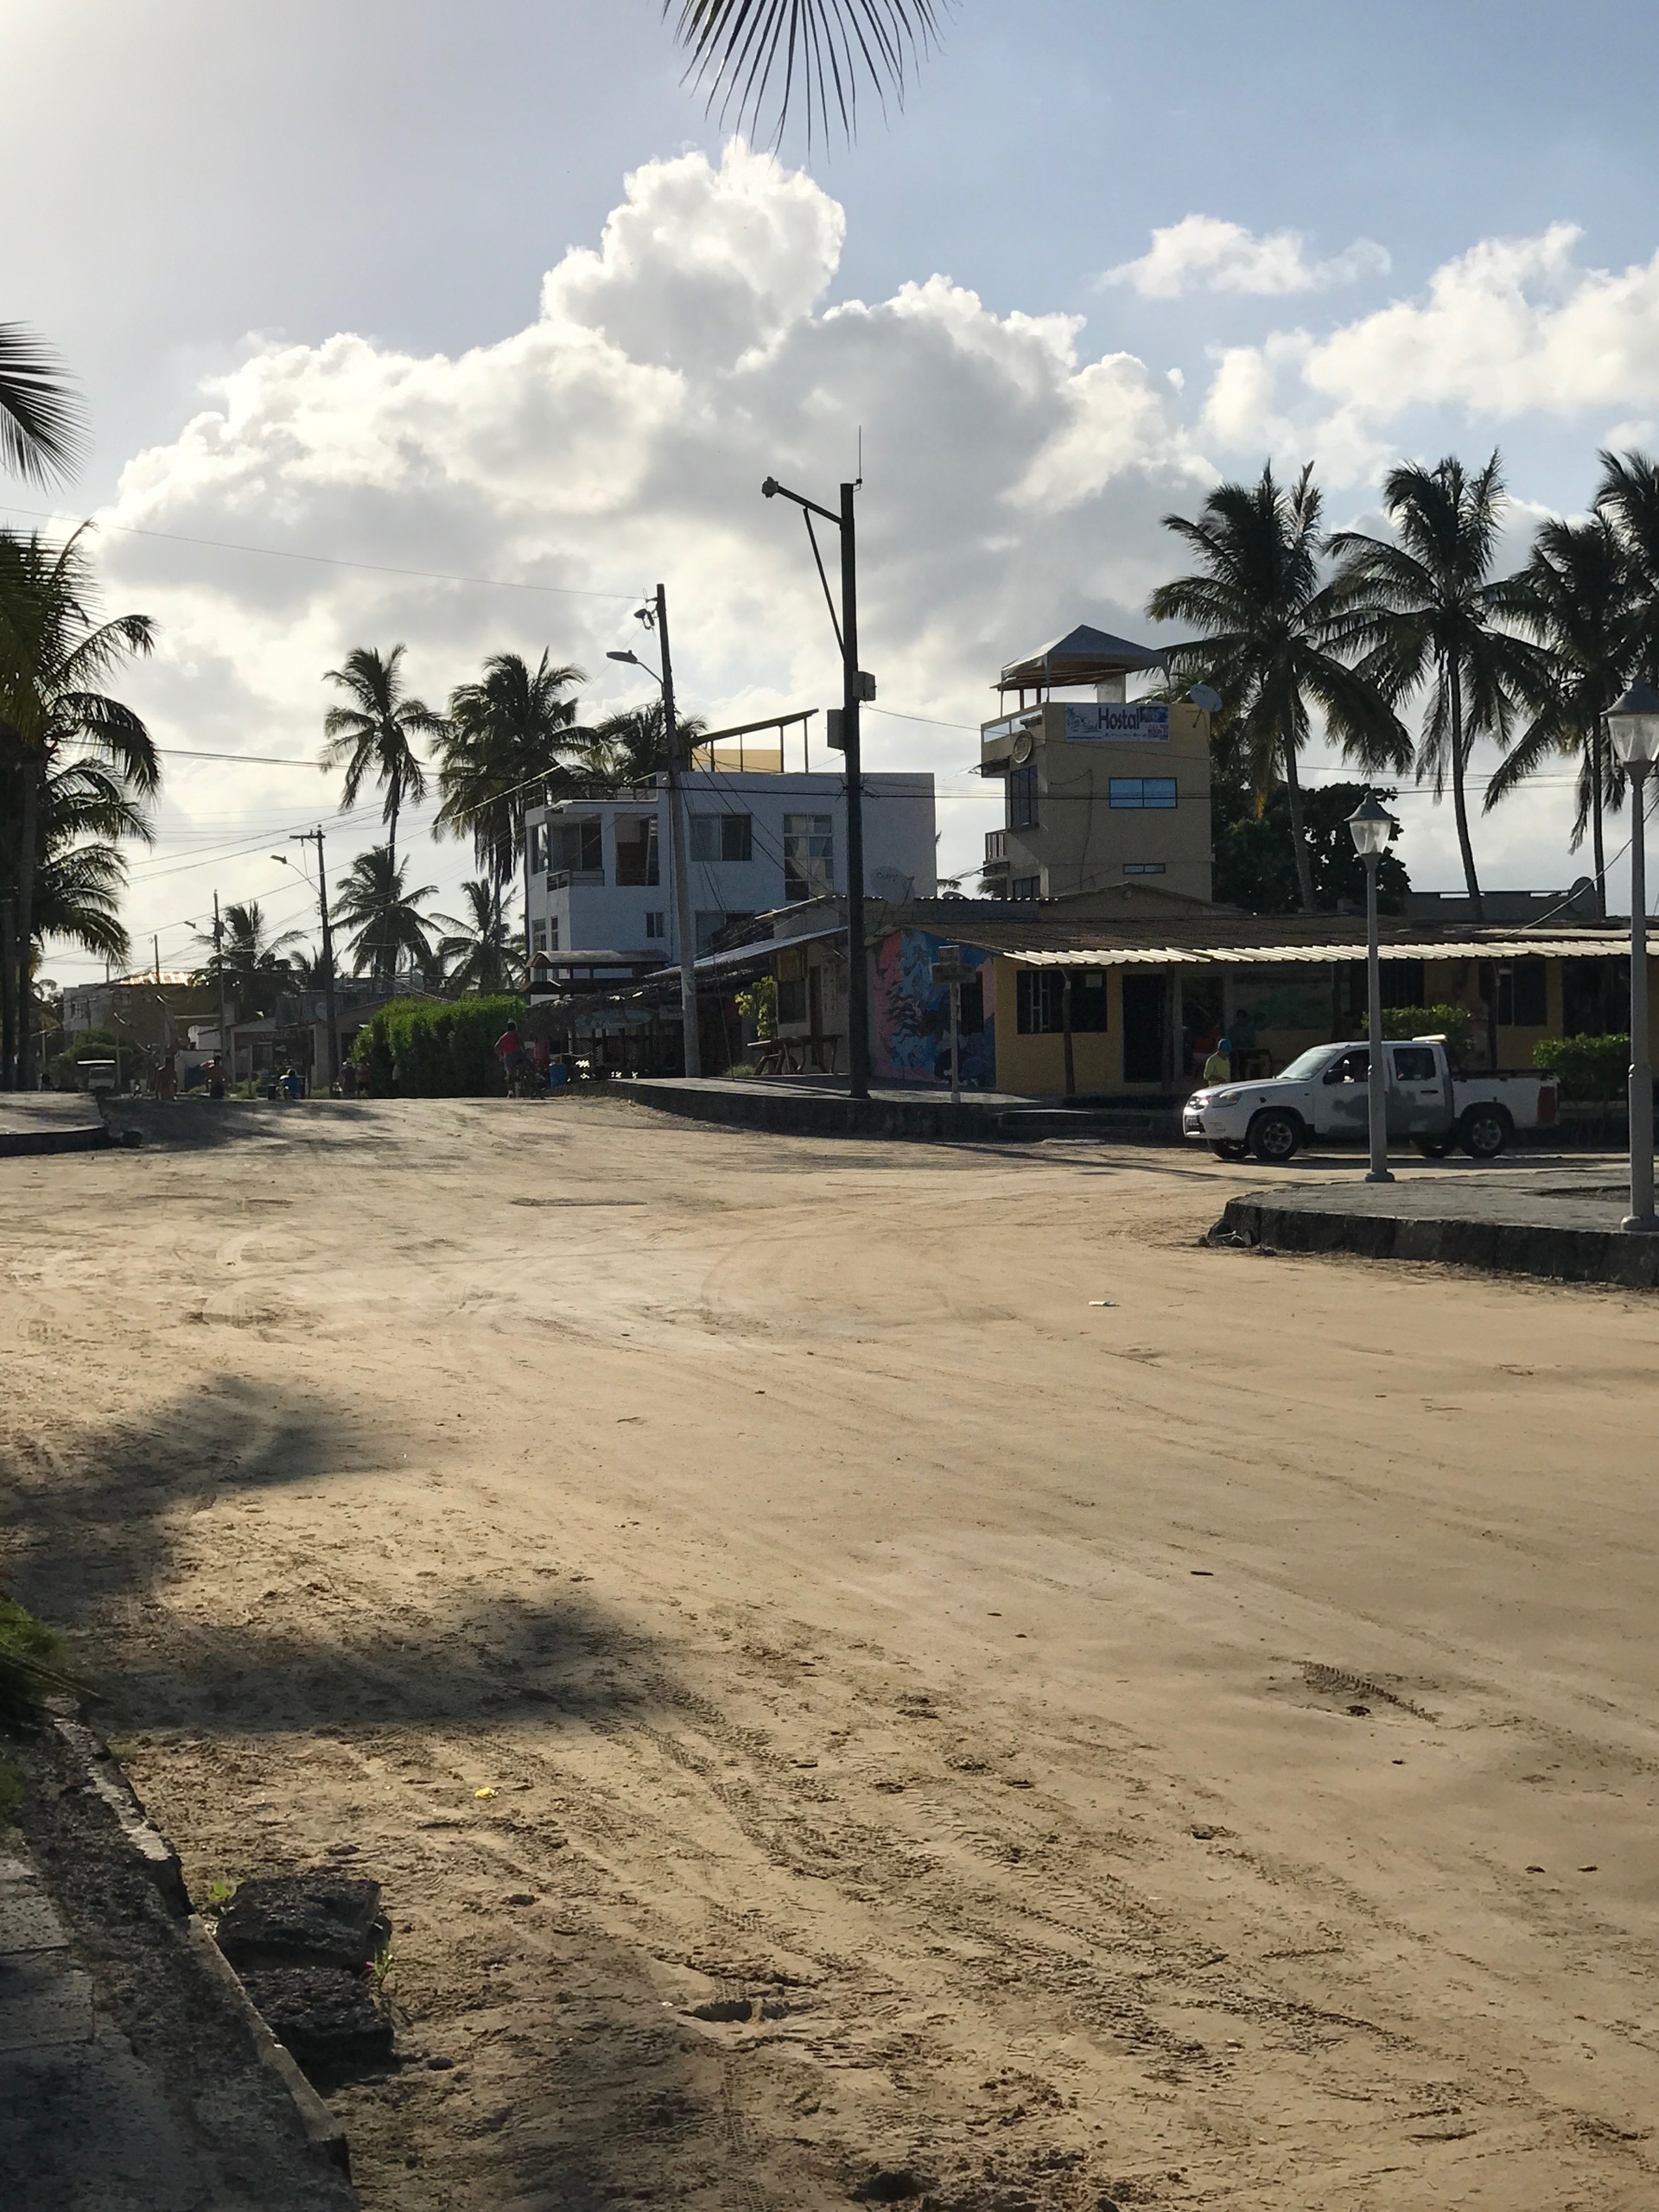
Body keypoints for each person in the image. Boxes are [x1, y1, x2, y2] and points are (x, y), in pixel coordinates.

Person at [496, 1019, 529, 1096]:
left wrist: (501, 1056)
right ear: (515, 1028)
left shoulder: (503, 1037)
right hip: (518, 1055)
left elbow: (496, 1047)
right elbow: (521, 1043)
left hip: (508, 1057)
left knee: (509, 1074)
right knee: (527, 1065)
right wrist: (524, 1052)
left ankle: (510, 1091)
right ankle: (530, 1077)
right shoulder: (515, 1034)